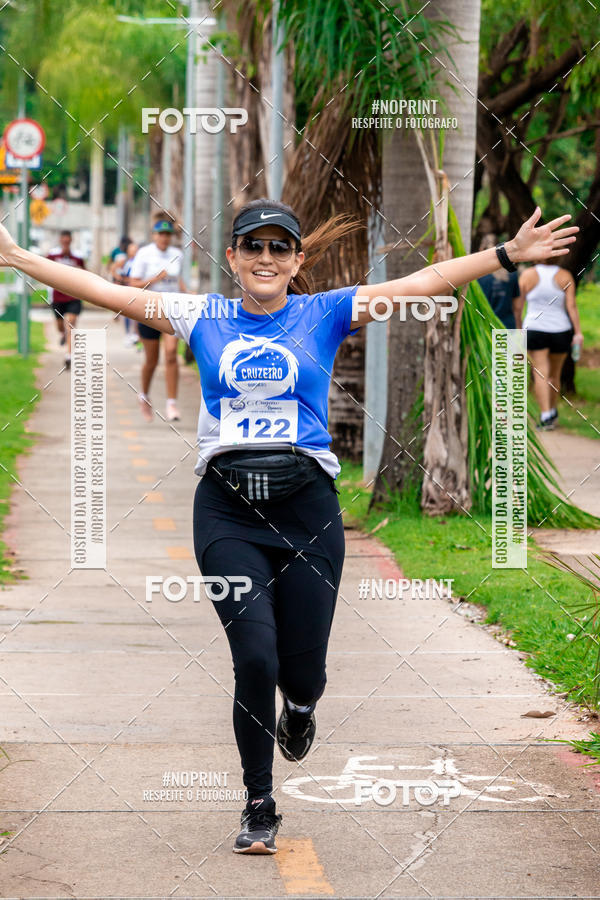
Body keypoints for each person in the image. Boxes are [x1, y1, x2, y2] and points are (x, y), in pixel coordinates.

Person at [0, 200, 578, 854]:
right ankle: (259, 803)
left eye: (280, 249)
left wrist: (506, 255)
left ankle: (300, 708)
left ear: (297, 261)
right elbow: (104, 290)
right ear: (234, 258)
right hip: (226, 511)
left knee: (302, 672)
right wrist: (18, 257)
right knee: (254, 656)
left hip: (307, 513)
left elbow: (422, 283)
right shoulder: (202, 314)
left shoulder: (326, 311)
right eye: (254, 247)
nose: (266, 259)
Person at [127, 217, 187, 422]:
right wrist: (154, 280)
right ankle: (143, 395)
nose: (164, 238)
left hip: (172, 308)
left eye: (168, 235)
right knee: (151, 360)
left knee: (171, 354)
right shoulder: (144, 254)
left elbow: (180, 282)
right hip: (149, 308)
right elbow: (132, 284)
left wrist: (190, 297)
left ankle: (172, 403)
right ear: (154, 236)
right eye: (160, 234)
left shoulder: (177, 255)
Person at [516, 260, 583, 431]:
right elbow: (571, 307)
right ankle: (552, 411)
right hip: (560, 330)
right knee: (555, 375)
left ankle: (546, 415)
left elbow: (518, 306)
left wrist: (517, 329)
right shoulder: (564, 276)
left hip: (535, 328)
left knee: (540, 374)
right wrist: (578, 332)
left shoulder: (527, 275)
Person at [46, 229, 86, 370]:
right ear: (60, 241)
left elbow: (84, 273)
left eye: (68, 241)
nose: (65, 243)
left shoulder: (78, 256)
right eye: (63, 240)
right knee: (60, 326)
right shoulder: (53, 255)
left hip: (73, 297)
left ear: (71, 241)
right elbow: (45, 271)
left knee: (70, 325)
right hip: (57, 297)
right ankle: (63, 334)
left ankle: (69, 355)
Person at [476, 234, 521, 328]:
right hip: (507, 327)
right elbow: (517, 307)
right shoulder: (511, 273)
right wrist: (519, 330)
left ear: (481, 249)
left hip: (484, 329)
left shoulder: (476, 276)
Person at [111, 240, 139, 347]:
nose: (134, 252)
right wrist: (120, 279)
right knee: (127, 312)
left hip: (137, 289)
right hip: (127, 289)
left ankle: (136, 334)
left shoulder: (140, 261)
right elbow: (113, 269)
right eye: (132, 250)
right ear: (128, 251)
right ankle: (128, 334)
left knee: (137, 313)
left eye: (136, 250)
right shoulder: (125, 261)